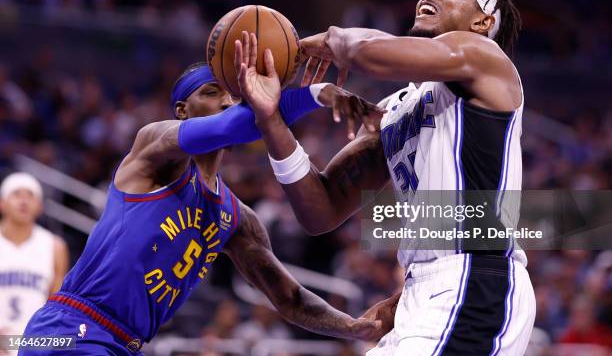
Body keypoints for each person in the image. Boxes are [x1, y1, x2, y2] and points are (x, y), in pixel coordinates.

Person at [20, 38, 391, 355]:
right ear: (182, 110)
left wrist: (353, 328)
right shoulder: (154, 147)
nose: (228, 102)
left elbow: (289, 298)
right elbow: (234, 124)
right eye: (212, 92)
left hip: (120, 342)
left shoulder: (236, 218)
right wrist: (316, 93)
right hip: (72, 326)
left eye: (234, 94)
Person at [241, 0, 535, 355]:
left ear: (482, 21)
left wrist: (331, 38)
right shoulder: (394, 110)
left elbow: (369, 53)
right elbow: (321, 211)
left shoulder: (485, 58)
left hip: (476, 280)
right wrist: (271, 119)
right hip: (421, 292)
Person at [0, 172, 69, 337]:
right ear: (2, 204)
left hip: (34, 341)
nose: (23, 201)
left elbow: (56, 308)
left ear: (40, 206)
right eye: (16, 194)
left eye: (30, 195)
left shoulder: (55, 246)